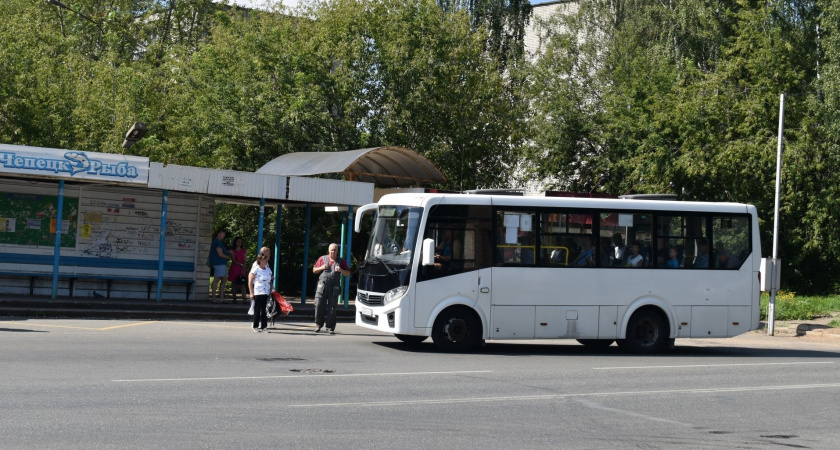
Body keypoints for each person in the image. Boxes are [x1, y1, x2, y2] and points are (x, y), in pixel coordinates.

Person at [312, 243, 350, 334]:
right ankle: (318, 325)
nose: (333, 252)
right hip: (322, 287)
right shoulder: (322, 258)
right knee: (318, 305)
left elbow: (348, 273)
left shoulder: (341, 261)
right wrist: (321, 267)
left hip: (334, 288)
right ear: (329, 250)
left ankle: (330, 327)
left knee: (332, 308)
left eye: (335, 250)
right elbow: (314, 270)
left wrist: (341, 270)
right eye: (332, 250)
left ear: (337, 251)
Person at [248, 247, 273, 332]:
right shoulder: (256, 267)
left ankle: (264, 326)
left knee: (265, 310)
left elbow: (269, 278)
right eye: (268, 254)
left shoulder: (267, 268)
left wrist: (271, 288)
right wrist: (251, 293)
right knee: (257, 309)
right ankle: (255, 325)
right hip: (258, 291)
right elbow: (250, 280)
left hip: (265, 291)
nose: (266, 261)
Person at [209, 229, 232, 303]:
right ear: (219, 233)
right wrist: (228, 257)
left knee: (223, 280)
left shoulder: (218, 242)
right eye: (223, 233)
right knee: (217, 280)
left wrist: (228, 251)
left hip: (220, 263)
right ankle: (215, 298)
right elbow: (220, 254)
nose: (224, 235)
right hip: (219, 263)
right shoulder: (217, 242)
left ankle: (221, 298)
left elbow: (222, 251)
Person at [228, 237, 248, 304]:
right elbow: (233, 260)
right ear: (235, 242)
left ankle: (244, 299)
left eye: (240, 241)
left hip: (242, 268)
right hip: (235, 268)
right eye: (238, 241)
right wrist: (241, 264)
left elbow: (245, 260)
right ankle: (234, 298)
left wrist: (243, 268)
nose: (239, 243)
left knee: (242, 284)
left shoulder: (244, 251)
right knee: (234, 283)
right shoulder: (233, 250)